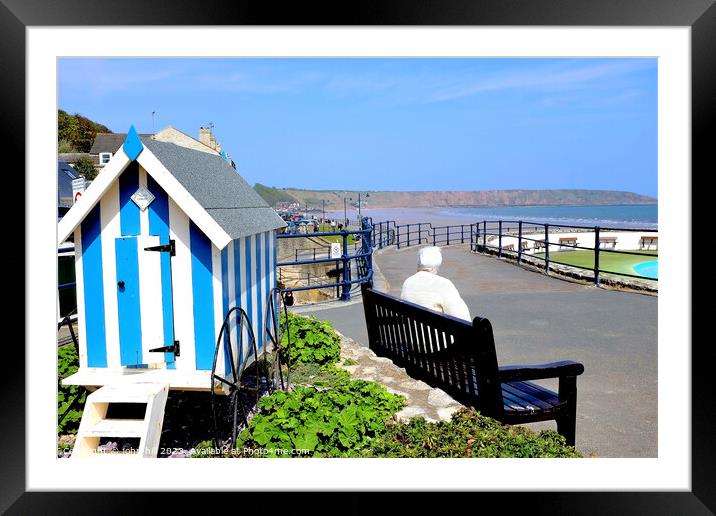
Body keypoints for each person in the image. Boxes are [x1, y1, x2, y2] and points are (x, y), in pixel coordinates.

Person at [400, 246, 471, 322]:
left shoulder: (408, 282)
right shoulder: (443, 284)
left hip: (409, 332)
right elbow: (462, 318)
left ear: (419, 263)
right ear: (436, 266)